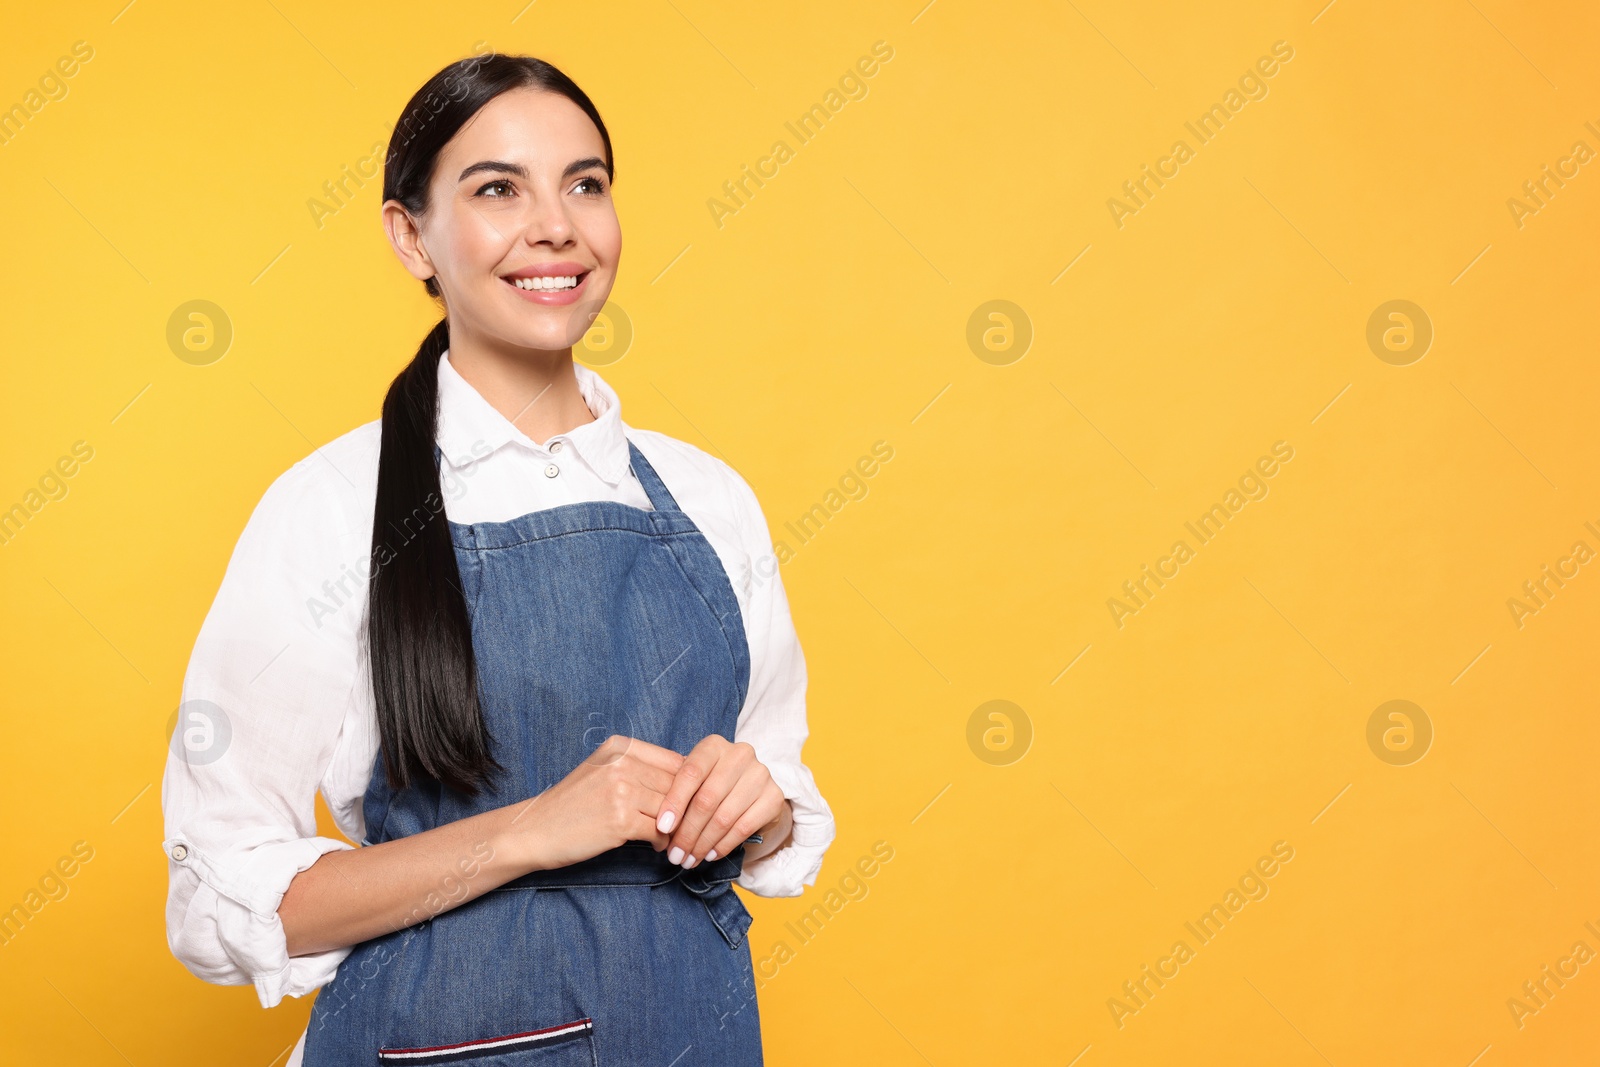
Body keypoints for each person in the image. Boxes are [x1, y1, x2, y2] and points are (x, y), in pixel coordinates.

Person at [159, 51, 835, 1066]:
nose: (555, 224)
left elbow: (774, 782)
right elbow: (217, 895)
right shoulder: (332, 508)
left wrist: (759, 808)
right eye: (495, 189)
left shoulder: (709, 499)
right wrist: (530, 829)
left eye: (585, 183)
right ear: (410, 234)